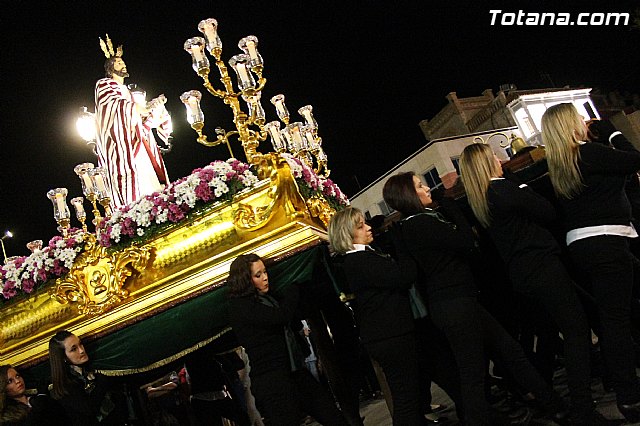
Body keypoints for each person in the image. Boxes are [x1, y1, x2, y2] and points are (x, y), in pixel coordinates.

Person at [383, 171, 567, 426]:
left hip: (457, 303)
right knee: (474, 374)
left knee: (509, 354)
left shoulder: (415, 225)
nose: (426, 188)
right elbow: (467, 243)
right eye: (419, 185)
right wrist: (451, 207)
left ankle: (555, 405)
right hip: (456, 305)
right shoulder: (421, 223)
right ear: (408, 195)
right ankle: (549, 407)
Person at [459, 142, 619, 425]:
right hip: (542, 266)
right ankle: (582, 405)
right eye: (493, 156)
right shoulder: (503, 189)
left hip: (523, 274)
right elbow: (546, 211)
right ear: (486, 164)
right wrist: (524, 187)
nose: (499, 159)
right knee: (576, 332)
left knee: (548, 334)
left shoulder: (482, 199)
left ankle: (551, 398)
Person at [542, 103, 640, 423]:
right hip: (607, 242)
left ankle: (624, 386)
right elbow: (633, 158)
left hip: (584, 247)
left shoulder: (559, 165)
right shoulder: (589, 153)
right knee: (616, 323)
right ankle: (629, 396)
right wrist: (611, 130)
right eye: (579, 118)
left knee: (615, 319)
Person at [226, 253, 348, 426]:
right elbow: (281, 316)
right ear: (245, 280)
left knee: (333, 417)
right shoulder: (240, 307)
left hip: (294, 373)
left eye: (265, 272)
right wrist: (292, 285)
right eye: (258, 275)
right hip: (273, 383)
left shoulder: (267, 298)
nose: (266, 278)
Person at [328, 206, 424, 425]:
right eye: (361, 226)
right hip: (391, 335)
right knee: (406, 397)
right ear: (347, 234)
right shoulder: (359, 260)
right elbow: (403, 276)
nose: (368, 228)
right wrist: (403, 248)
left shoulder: (363, 257)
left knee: (410, 394)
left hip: (389, 334)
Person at [95, 34, 172, 208]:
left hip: (138, 139)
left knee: (149, 177)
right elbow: (112, 105)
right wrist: (139, 108)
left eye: (123, 63)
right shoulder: (104, 85)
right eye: (119, 63)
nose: (123, 65)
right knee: (132, 178)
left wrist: (155, 107)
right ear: (110, 68)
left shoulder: (129, 92)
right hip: (121, 143)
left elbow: (140, 116)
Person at [48, 330, 128, 425]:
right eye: (74, 349)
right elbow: (90, 409)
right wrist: (102, 379)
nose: (82, 350)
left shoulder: (93, 368)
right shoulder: (65, 385)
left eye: (80, 344)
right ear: (63, 358)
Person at [0, 365, 68, 425]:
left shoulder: (36, 399)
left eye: (18, 376)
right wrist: (41, 396)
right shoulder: (7, 416)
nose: (18, 381)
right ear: (3, 387)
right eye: (10, 381)